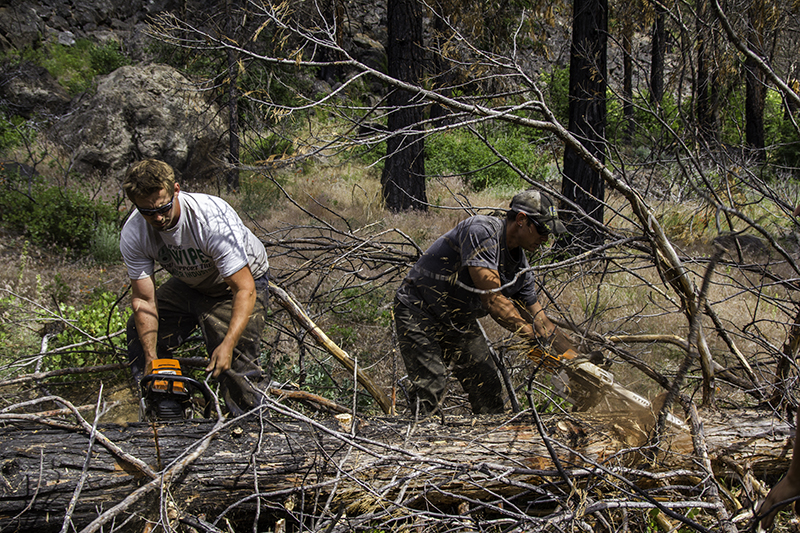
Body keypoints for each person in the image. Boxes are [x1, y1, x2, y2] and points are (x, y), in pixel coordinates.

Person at [393, 189, 579, 417]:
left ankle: (490, 435)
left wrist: (575, 359)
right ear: (521, 220)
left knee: (486, 384)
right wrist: (532, 338)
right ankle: (419, 434)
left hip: (458, 319)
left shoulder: (520, 269)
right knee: (431, 384)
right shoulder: (481, 231)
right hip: (418, 308)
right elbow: (492, 300)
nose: (545, 239)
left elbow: (541, 320)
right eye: (542, 230)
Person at [120, 159, 270, 416]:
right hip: (190, 281)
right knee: (139, 331)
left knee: (235, 358)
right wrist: (151, 359)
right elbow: (144, 300)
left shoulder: (210, 220)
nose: (157, 217)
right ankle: (164, 406)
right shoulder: (135, 232)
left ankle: (251, 424)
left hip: (236, 284)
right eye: (147, 212)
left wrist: (227, 344)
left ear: (176, 190)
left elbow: (244, 289)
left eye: (163, 207)